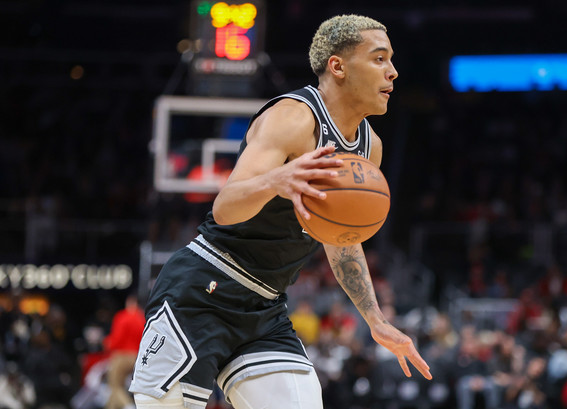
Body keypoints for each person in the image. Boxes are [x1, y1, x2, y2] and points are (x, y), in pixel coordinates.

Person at [129, 14, 432, 409]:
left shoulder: (369, 147)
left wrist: (375, 319)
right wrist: (277, 181)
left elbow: (342, 239)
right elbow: (225, 207)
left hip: (265, 308)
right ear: (338, 66)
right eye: (379, 59)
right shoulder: (292, 118)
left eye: (391, 60)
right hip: (203, 290)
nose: (392, 72)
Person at [104, 294, 145, 409]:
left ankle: (128, 406)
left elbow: (116, 339)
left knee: (114, 386)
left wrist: (107, 342)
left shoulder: (123, 316)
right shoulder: (142, 318)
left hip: (122, 356)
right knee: (117, 388)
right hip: (137, 357)